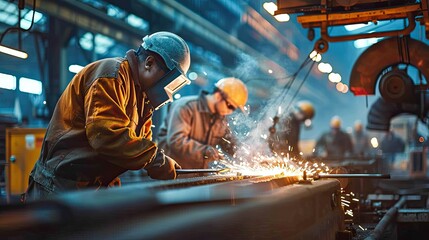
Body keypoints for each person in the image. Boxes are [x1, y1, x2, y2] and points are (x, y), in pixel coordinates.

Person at [24, 31, 191, 201]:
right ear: (149, 63)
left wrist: (157, 160)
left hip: (93, 186)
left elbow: (137, 146)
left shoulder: (142, 99)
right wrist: (156, 160)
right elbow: (105, 136)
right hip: (61, 186)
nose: (168, 90)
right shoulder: (111, 74)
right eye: (170, 80)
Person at [156, 77, 248, 169]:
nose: (230, 112)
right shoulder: (186, 107)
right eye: (230, 106)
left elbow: (230, 144)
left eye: (234, 109)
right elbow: (176, 141)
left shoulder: (220, 119)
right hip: (173, 174)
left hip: (197, 175)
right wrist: (205, 151)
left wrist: (248, 155)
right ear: (218, 96)